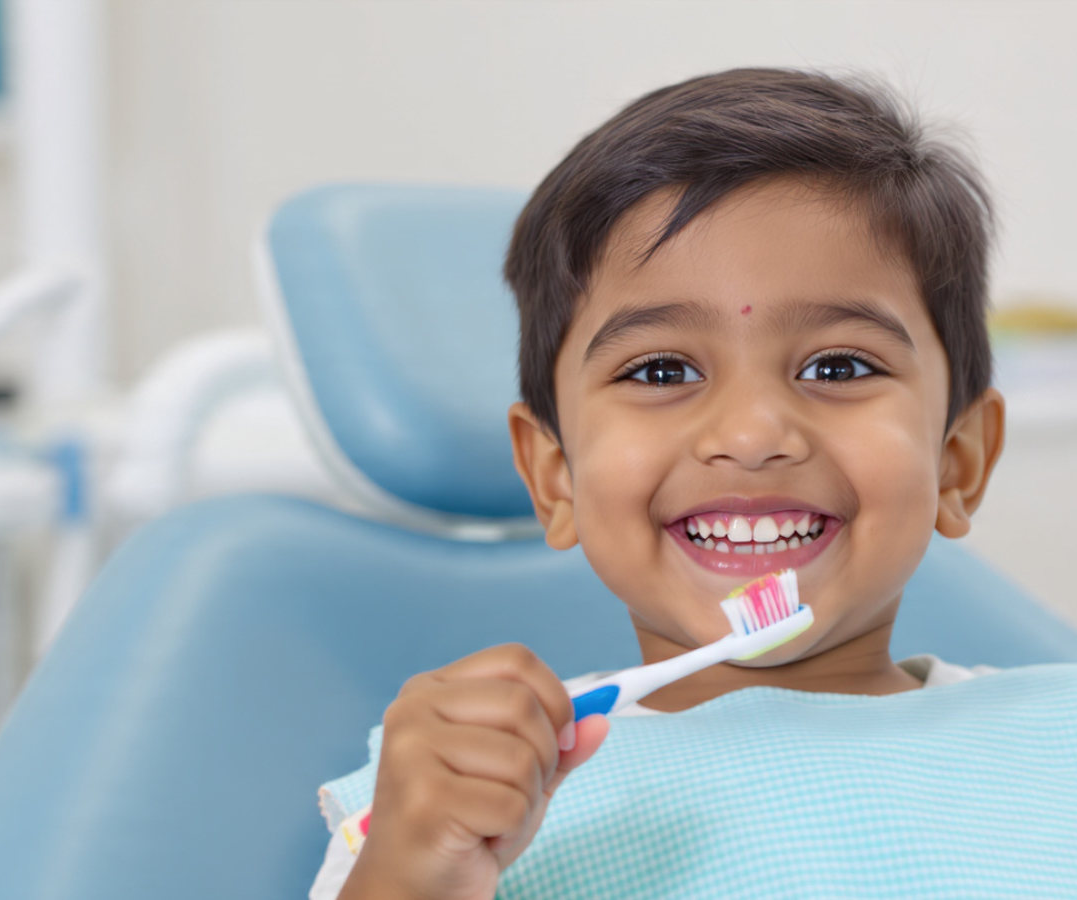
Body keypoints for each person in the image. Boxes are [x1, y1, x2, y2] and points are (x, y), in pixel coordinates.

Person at [314, 66, 1006, 900]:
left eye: (838, 365)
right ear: (554, 476)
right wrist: (412, 874)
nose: (751, 436)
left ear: (957, 461)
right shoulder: (447, 811)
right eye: (662, 369)